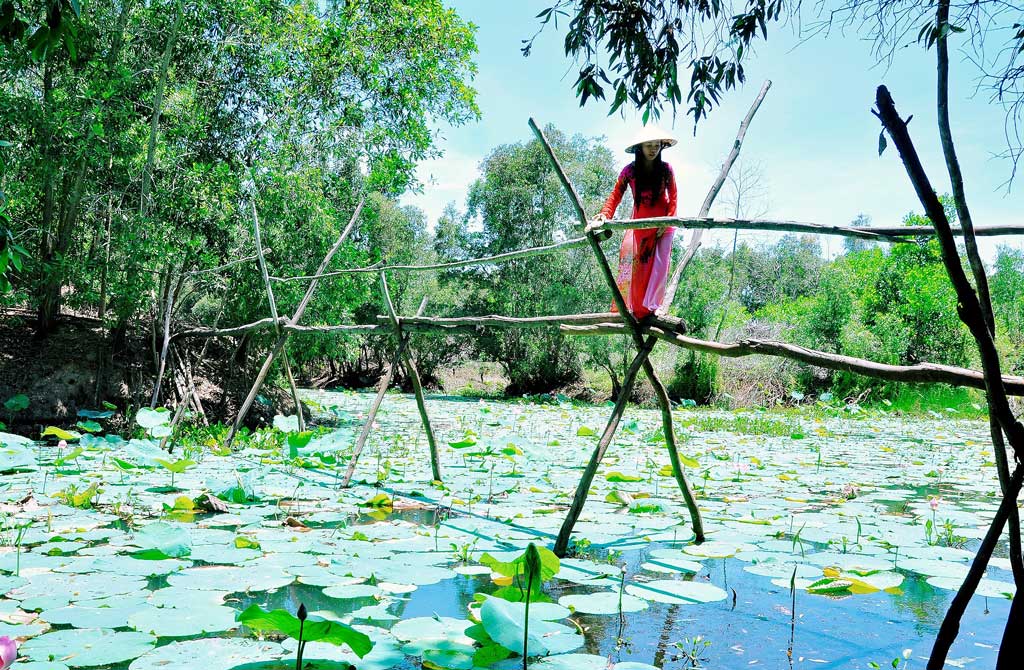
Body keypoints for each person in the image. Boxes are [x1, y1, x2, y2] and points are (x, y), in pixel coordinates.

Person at [596, 126, 678, 320]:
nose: (653, 149)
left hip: (663, 225)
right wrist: (605, 214)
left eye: (657, 145)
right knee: (639, 268)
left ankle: (652, 309)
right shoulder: (630, 171)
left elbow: (673, 197)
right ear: (640, 147)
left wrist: (667, 221)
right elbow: (616, 194)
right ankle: (638, 313)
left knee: (659, 268)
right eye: (649, 145)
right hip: (640, 225)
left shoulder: (666, 169)